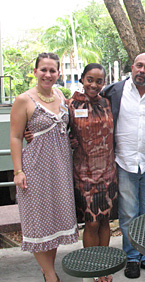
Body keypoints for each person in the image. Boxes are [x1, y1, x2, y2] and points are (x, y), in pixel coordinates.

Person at [101, 53, 145, 279]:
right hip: (123, 162)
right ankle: (132, 257)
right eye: (139, 66)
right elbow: (91, 109)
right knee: (128, 213)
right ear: (132, 67)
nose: (142, 70)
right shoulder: (113, 92)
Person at [10, 52, 78, 282]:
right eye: (43, 70)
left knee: (54, 222)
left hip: (60, 168)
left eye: (52, 70)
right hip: (35, 169)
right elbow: (16, 137)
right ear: (35, 72)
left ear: (58, 73)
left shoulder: (60, 94)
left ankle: (47, 268)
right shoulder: (24, 100)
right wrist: (18, 171)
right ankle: (50, 275)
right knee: (38, 223)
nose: (47, 74)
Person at [68, 63, 118, 282]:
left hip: (108, 172)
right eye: (90, 79)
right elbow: (54, 127)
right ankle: (92, 268)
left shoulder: (107, 103)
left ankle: (104, 267)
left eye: (99, 81)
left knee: (106, 221)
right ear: (82, 79)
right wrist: (29, 133)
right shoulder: (70, 104)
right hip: (84, 173)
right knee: (91, 222)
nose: (94, 85)